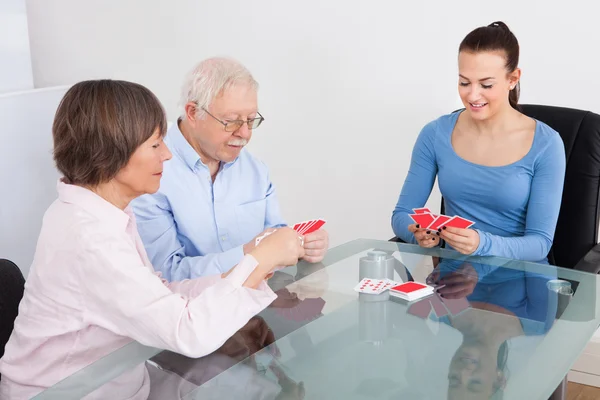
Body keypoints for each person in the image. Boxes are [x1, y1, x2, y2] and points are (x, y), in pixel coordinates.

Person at [0, 80, 304, 400]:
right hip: (72, 393)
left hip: (124, 380)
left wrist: (235, 288)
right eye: (156, 144)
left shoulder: (106, 214)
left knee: (248, 388)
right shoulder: (89, 238)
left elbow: (158, 294)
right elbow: (188, 332)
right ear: (112, 152)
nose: (169, 155)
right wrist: (259, 261)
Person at [131, 57, 329, 281]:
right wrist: (252, 255)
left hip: (257, 307)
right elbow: (165, 273)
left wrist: (303, 245)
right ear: (193, 113)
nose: (245, 133)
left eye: (251, 120)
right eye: (231, 121)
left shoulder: (255, 170)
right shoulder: (150, 171)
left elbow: (277, 236)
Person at [391, 21, 566, 263]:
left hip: (520, 280)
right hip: (453, 286)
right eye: (464, 82)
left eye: (486, 84)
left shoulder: (546, 144)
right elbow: (402, 214)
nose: (472, 95)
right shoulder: (435, 134)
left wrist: (481, 243)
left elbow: (539, 243)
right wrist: (418, 234)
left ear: (513, 78)